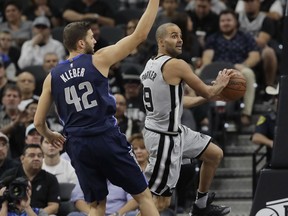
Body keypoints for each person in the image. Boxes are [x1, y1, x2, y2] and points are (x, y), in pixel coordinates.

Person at [34, 1, 160, 216]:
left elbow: (38, 122)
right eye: (92, 37)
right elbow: (139, 36)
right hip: (105, 136)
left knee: (96, 205)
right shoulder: (98, 60)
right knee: (143, 196)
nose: (95, 40)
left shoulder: (51, 77)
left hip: (78, 144)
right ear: (81, 43)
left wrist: (49, 133)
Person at [140, 22, 234, 215]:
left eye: (180, 35)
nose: (180, 39)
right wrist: (221, 84)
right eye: (174, 35)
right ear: (161, 41)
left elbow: (180, 101)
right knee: (158, 203)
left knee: (214, 154)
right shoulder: (176, 65)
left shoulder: (151, 64)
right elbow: (209, 92)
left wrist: (209, 94)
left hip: (172, 130)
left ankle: (201, 205)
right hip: (164, 137)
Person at [200, 9, 261, 125]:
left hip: (237, 68)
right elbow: (207, 57)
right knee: (197, 72)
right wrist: (207, 67)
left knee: (248, 73)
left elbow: (255, 56)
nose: (225, 23)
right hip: (217, 70)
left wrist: (244, 65)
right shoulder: (213, 38)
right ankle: (201, 113)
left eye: (228, 20)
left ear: (236, 22)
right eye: (222, 21)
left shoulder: (246, 37)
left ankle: (246, 113)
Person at [1, 144, 60, 215]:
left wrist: (35, 213)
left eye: (39, 156)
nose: (36, 158)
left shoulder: (50, 178)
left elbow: (54, 206)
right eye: (32, 155)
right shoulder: (9, 176)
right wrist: (4, 203)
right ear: (22, 158)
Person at [251, 84, 278, 163]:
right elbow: (255, 137)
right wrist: (272, 143)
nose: (277, 99)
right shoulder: (267, 117)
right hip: (275, 160)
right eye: (276, 97)